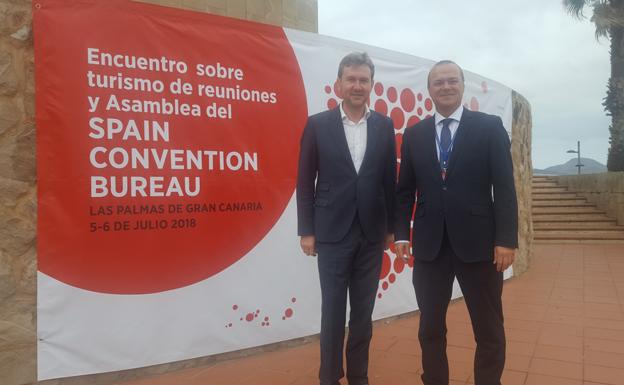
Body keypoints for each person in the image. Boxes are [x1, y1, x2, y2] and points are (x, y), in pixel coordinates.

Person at [394, 60, 518, 385]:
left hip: (480, 246)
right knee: (430, 328)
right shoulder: (415, 134)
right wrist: (401, 235)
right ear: (429, 89)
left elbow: (504, 187)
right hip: (430, 247)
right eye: (438, 82)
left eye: (452, 81)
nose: (445, 87)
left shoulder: (489, 127)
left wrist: (506, 239)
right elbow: (405, 189)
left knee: (488, 328)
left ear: (463, 86)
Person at [296, 52, 396, 385]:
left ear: (371, 85)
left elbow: (387, 181)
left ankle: (358, 376)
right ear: (339, 84)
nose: (357, 85)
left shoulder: (384, 125)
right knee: (333, 313)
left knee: (364, 315)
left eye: (363, 80)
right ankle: (329, 377)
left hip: (371, 234)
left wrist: (391, 229)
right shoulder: (317, 124)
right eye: (351, 79)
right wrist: (306, 231)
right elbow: (304, 179)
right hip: (331, 233)